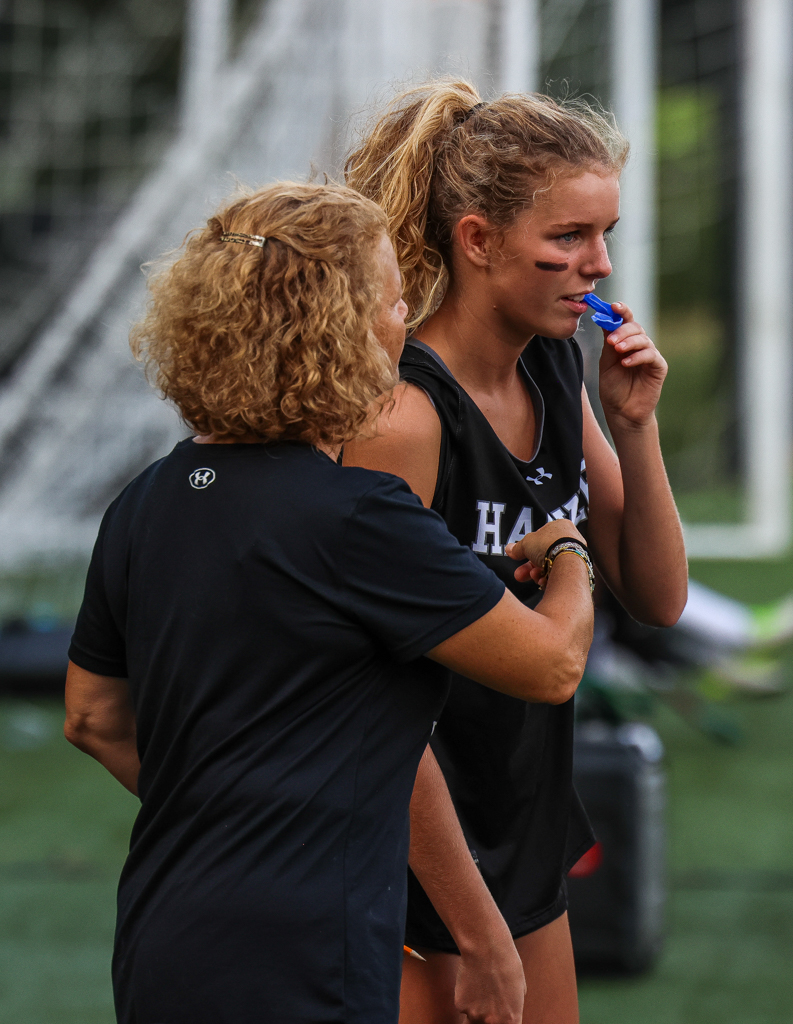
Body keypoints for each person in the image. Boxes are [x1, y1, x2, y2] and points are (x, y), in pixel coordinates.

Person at [63, 180, 598, 1024]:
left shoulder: (145, 501)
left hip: (163, 934)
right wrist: (567, 551)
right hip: (308, 949)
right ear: (335, 331)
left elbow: (91, 716)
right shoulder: (355, 517)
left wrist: (232, 812)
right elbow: (552, 664)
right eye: (390, 301)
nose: (401, 321)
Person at [344, 80, 689, 1024]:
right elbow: (370, 696)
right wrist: (474, 926)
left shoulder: (550, 361)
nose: (599, 265)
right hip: (413, 860)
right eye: (569, 238)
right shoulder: (404, 417)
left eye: (605, 233)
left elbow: (658, 598)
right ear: (477, 239)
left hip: (521, 824)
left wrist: (635, 429)